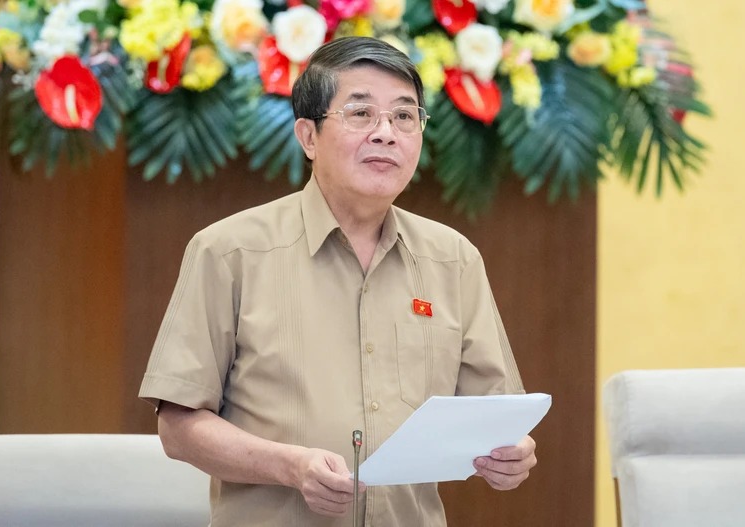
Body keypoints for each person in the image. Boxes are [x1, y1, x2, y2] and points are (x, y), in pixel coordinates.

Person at [139, 36, 537, 527]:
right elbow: (178, 427)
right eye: (361, 113)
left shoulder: (453, 259)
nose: (386, 133)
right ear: (308, 136)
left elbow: (496, 415)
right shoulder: (228, 252)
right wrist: (290, 466)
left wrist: (511, 453)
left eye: (404, 116)